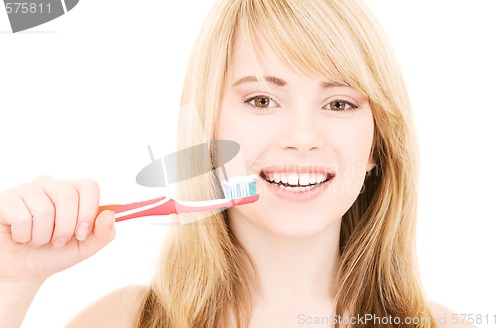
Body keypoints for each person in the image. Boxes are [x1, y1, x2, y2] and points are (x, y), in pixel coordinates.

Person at [0, 0, 477, 327]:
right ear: (209, 130)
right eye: (263, 99)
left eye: (339, 104)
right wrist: (10, 282)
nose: (303, 139)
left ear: (376, 144)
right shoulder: (122, 321)